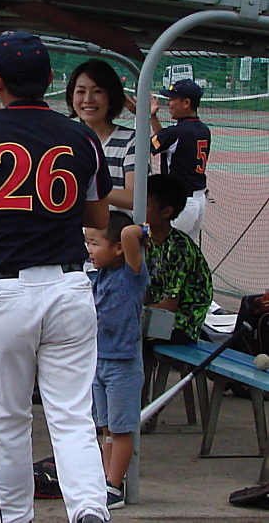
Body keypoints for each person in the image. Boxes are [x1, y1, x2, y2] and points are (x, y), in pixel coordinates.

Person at [0, 32, 112, 523]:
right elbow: (98, 217)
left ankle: (16, 517)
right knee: (71, 414)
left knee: (10, 418)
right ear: (50, 79)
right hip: (69, 285)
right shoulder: (81, 136)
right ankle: (89, 509)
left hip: (7, 290)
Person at [85, 211, 150, 510]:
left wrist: (144, 231)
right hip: (99, 360)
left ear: (118, 249)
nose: (90, 250)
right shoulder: (99, 275)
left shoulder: (131, 275)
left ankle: (114, 485)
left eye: (96, 244)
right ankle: (107, 479)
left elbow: (127, 234)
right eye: (88, 243)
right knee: (106, 428)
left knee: (122, 428)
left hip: (123, 363)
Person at [142, 174, 213, 403]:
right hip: (158, 317)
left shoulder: (179, 248)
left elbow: (169, 306)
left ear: (166, 212)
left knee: (129, 340)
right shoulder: (146, 239)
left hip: (182, 324)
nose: (138, 208)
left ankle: (138, 408)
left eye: (146, 204)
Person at [66, 59, 139, 214]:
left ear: (111, 97)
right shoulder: (64, 139)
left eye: (97, 91)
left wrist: (85, 187)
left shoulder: (131, 141)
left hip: (115, 228)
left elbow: (135, 198)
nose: (88, 99)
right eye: (81, 91)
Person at [150, 78, 211, 242]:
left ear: (186, 103)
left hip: (180, 204)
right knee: (185, 250)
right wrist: (153, 117)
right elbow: (164, 141)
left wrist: (141, 113)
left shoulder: (176, 132)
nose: (168, 104)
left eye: (172, 99)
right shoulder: (203, 129)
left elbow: (149, 146)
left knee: (163, 247)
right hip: (198, 201)